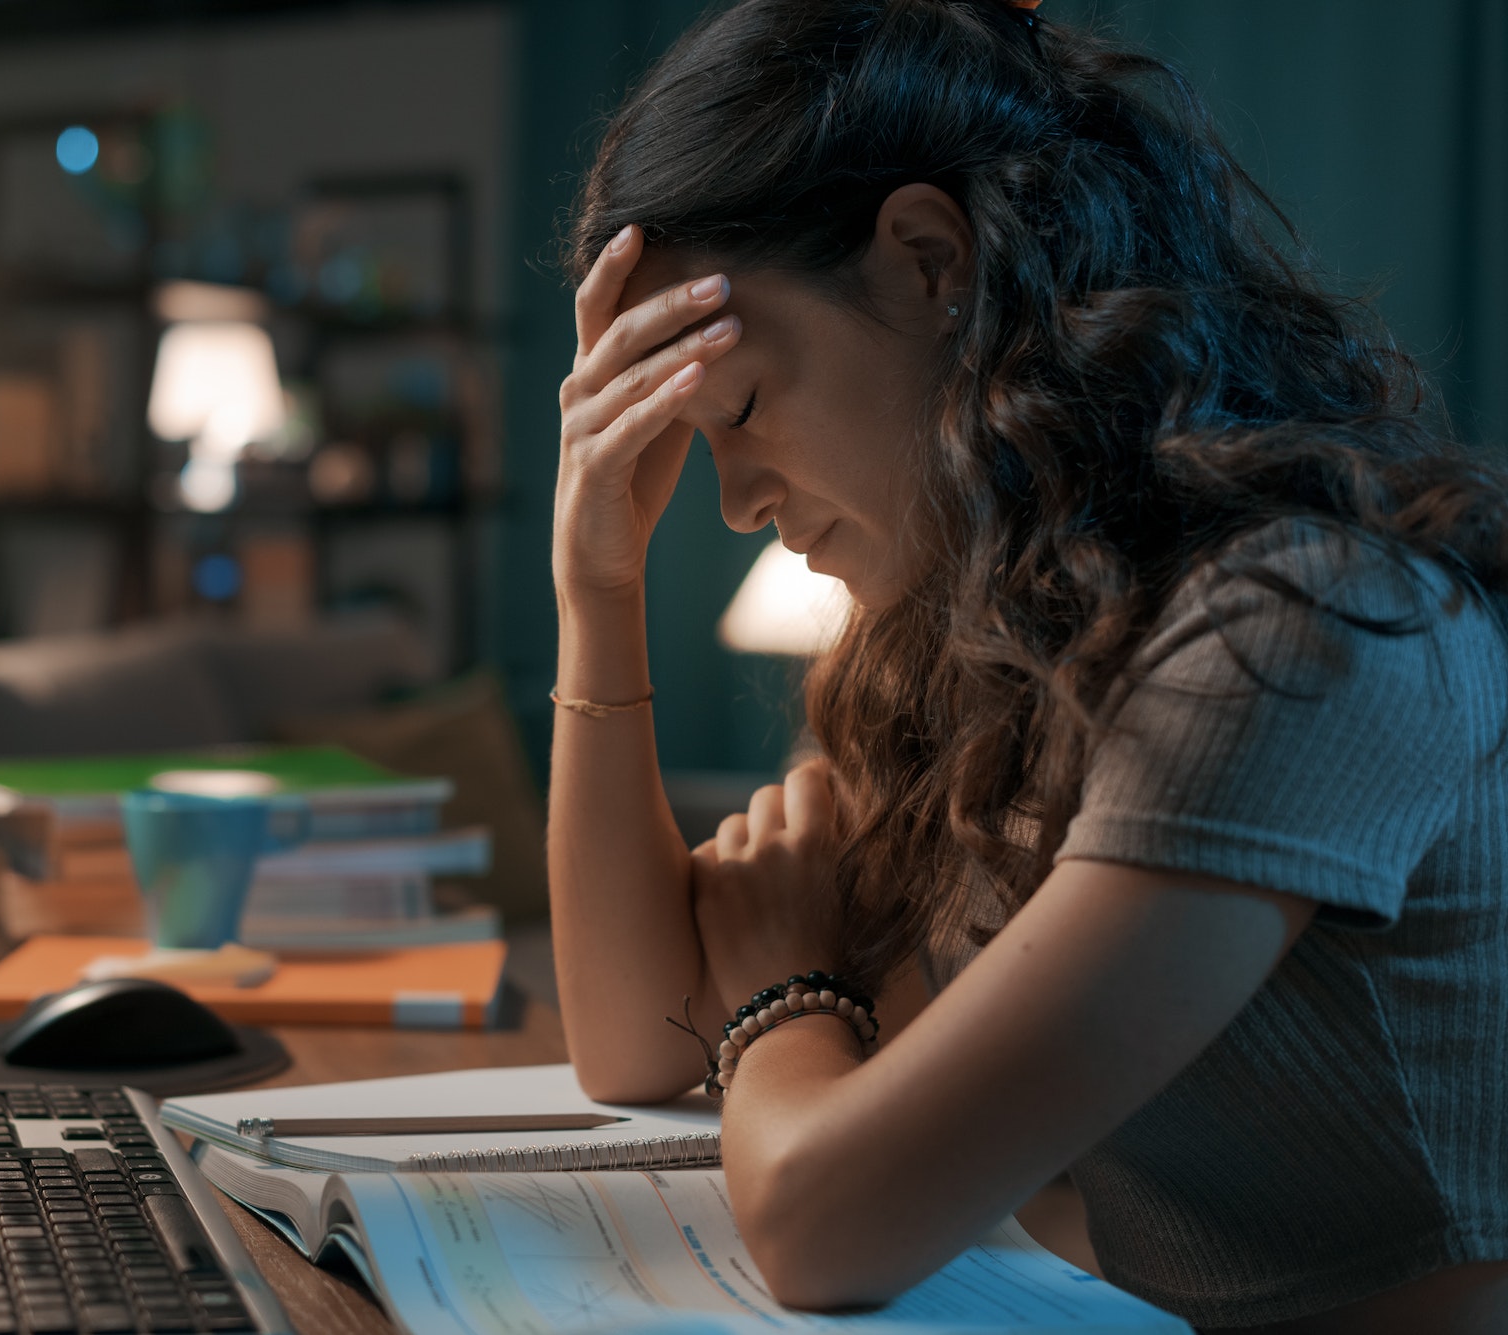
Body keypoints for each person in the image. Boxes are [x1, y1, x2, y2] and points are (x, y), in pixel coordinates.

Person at [545, 1, 1508, 1331]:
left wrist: (784, 992)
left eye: (744, 409)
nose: (733, 503)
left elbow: (828, 1228)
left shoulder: (1302, 628)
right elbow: (636, 1039)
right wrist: (596, 588)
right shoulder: (1000, 624)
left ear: (929, 261)